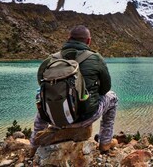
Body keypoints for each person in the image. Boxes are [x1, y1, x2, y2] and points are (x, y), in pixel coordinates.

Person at [30, 25, 118, 153]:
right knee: (113, 97)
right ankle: (105, 143)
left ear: (68, 38)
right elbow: (105, 89)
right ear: (88, 41)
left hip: (54, 118)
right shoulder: (96, 58)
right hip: (85, 117)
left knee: (43, 99)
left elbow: (41, 85)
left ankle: (33, 145)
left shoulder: (50, 60)